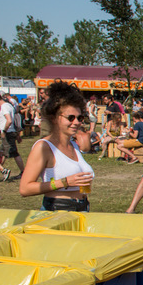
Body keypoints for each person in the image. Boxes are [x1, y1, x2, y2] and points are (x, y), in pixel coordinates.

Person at [18, 81, 94, 211]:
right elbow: (25, 188)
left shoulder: (73, 145)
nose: (76, 122)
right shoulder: (44, 147)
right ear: (54, 118)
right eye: (70, 118)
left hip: (82, 207)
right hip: (57, 210)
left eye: (79, 118)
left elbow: (86, 147)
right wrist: (64, 182)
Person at [0, 92, 25, 179]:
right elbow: (16, 119)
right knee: (3, 152)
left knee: (14, 153)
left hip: (8, 132)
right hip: (11, 131)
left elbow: (9, 121)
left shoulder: (5, 106)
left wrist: (4, 131)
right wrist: (17, 134)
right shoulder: (10, 105)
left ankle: (23, 172)